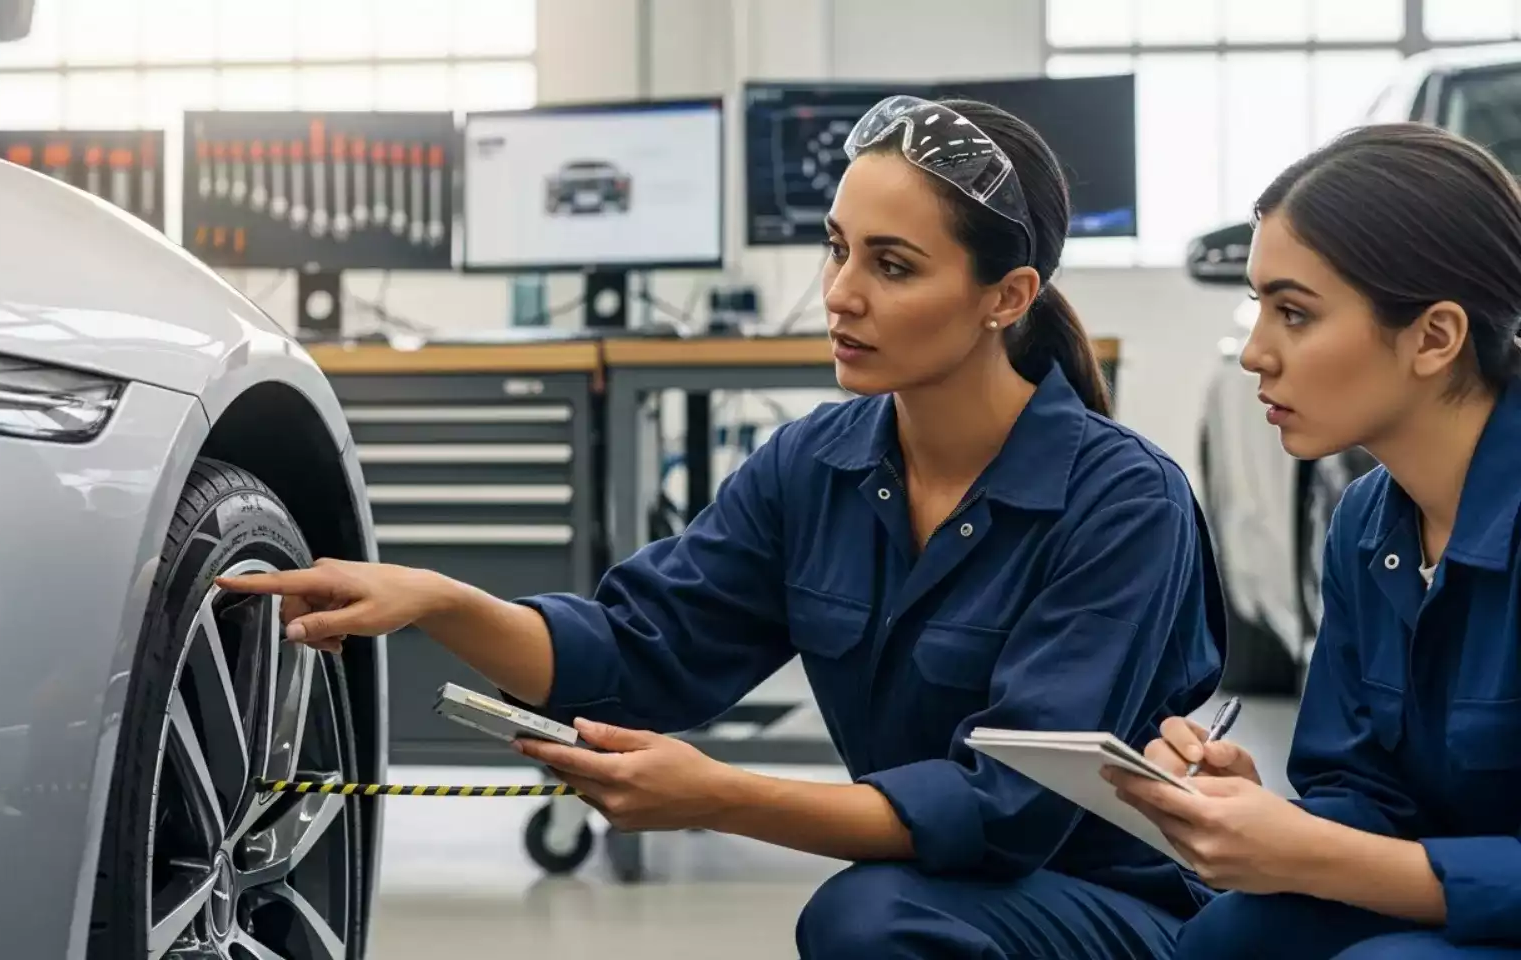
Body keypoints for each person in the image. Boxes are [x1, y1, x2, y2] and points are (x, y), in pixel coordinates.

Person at [220, 95, 1228, 959]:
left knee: (870, 921)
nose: (839, 294)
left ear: (1004, 298)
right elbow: (636, 654)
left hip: (1125, 911)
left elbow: (1007, 811)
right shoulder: (818, 466)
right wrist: (435, 601)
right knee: (881, 915)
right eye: (837, 249)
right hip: (952, 896)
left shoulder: (1120, 503)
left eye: (892, 265)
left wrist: (716, 797)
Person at [1106, 122, 1521, 959]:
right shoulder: (1368, 524)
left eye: (1293, 313)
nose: (1255, 352)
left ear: (1435, 338)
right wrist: (1252, 813)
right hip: (1453, 906)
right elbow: (1361, 790)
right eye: (1258, 307)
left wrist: (1318, 855)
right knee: (1228, 936)